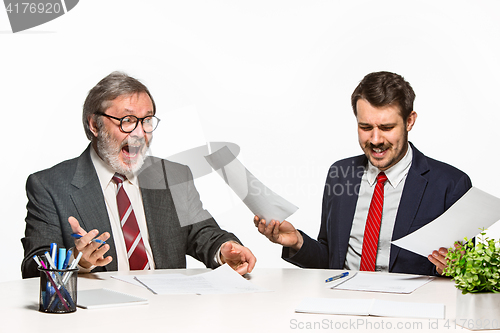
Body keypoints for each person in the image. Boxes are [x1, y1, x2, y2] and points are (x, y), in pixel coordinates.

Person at [21, 71, 256, 278]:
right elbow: (33, 267)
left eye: (146, 121)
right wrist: (77, 261)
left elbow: (202, 233)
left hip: (167, 313)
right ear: (94, 125)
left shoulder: (172, 175)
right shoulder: (49, 186)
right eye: (127, 121)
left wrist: (224, 249)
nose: (140, 133)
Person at [255, 71, 471, 276]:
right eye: (365, 127)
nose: (375, 140)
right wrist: (297, 242)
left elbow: (470, 274)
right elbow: (331, 263)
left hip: (410, 308)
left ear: (409, 121)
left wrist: (456, 268)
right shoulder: (340, 174)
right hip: (343, 304)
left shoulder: (450, 185)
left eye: (386, 127)